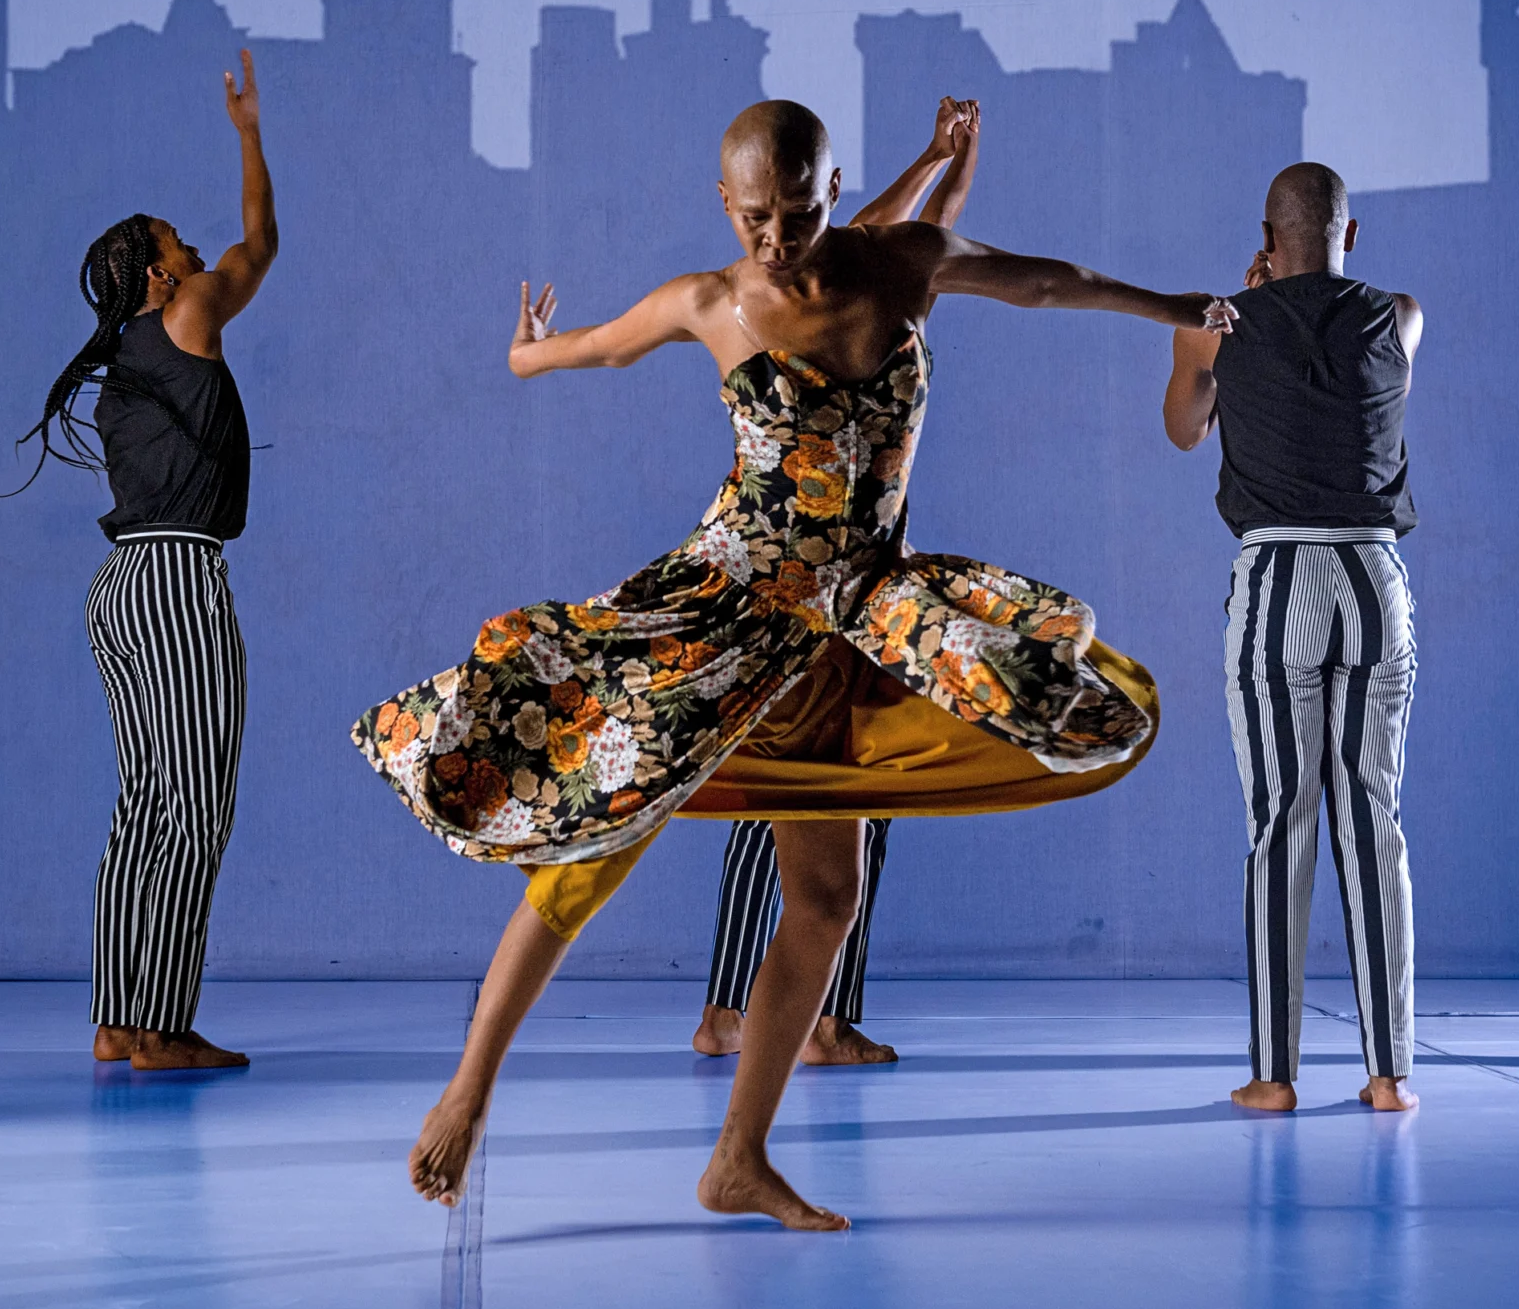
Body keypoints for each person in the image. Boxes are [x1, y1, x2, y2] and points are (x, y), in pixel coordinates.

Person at [355, 99, 1229, 1230]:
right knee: (594, 841)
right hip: (727, 609)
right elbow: (587, 350)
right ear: (726, 205)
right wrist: (527, 348)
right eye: (757, 217)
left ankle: (738, 1161)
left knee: (828, 895)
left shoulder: (899, 261)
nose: (778, 238)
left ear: (833, 195)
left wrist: (1172, 308)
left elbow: (1042, 282)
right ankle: (469, 1091)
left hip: (860, 607)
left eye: (801, 212)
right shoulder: (709, 301)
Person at [692, 96, 983, 1068]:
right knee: (812, 791)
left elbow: (902, 235)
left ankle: (779, 1009)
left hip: (858, 585)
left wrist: (944, 160)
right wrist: (936, 159)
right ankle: (783, 1017)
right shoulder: (814, 286)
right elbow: (879, 234)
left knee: (830, 798)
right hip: (806, 584)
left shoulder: (865, 281)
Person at [19, 47, 277, 1070]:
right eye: (181, 241)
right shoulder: (188, 313)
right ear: (162, 274)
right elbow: (261, 241)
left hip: (118, 589)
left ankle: (118, 1018)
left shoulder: (126, 356)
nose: (199, 246)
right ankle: (162, 1027)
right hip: (173, 578)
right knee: (196, 804)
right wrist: (250, 134)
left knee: (142, 807)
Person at [1163, 162, 1424, 1114]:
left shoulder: (1213, 320)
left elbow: (1185, 429)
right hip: (1373, 572)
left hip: (1277, 574)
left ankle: (1274, 1076)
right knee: (1373, 819)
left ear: (1266, 238)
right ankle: (1389, 1072)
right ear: (1351, 235)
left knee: (1282, 823)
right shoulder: (1399, 313)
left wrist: (1238, 317)